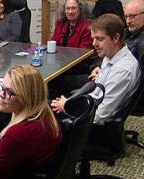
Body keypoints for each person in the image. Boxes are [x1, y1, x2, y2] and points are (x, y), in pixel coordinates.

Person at [51, 14, 138, 142]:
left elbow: (101, 116)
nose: (94, 44)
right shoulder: (111, 55)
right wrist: (72, 102)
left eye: (99, 39)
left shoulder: (122, 71)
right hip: (90, 103)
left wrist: (68, 107)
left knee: (42, 117)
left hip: (93, 126)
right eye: (93, 38)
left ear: (116, 38)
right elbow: (98, 92)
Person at [0, 65, 62, 179]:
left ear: (25, 97)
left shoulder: (19, 134)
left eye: (8, 92)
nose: (1, 94)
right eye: (2, 87)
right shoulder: (45, 115)